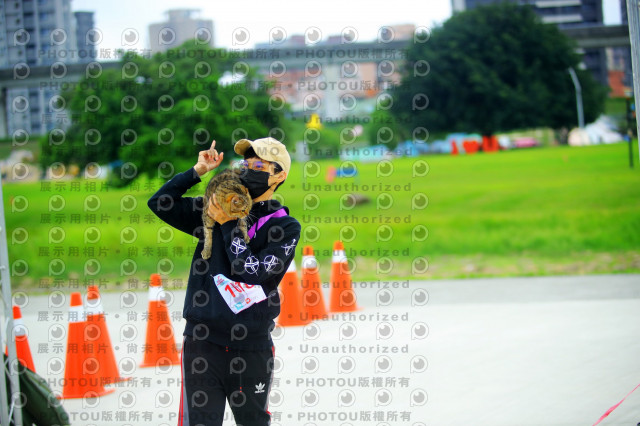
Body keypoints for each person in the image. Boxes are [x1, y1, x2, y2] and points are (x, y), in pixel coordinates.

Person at [147, 137, 301, 426]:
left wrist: (229, 223)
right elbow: (159, 203)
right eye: (246, 163)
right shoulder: (215, 207)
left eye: (259, 166)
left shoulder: (284, 226)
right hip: (202, 344)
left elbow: (252, 272)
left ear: (279, 175)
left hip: (252, 347)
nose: (248, 169)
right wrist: (196, 172)